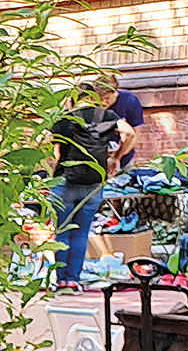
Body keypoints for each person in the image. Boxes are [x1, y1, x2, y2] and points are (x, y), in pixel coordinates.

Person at [49, 78, 139, 292]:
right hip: (94, 182)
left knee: (62, 231)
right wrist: (117, 157)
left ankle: (61, 281)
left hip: (66, 180)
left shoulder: (65, 118)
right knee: (81, 232)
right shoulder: (106, 116)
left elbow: (55, 152)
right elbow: (130, 133)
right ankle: (74, 279)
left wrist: (53, 172)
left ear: (74, 98)